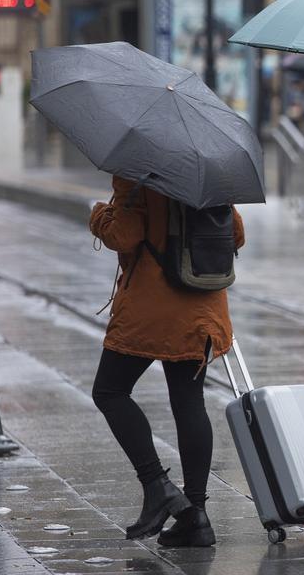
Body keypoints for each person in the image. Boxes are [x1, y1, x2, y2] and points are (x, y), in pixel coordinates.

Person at [89, 177, 245, 547]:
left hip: (154, 304)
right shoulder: (208, 175)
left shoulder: (139, 171)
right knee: (189, 401)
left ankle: (156, 484)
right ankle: (196, 515)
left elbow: (124, 236)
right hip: (203, 305)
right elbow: (236, 234)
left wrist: (99, 216)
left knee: (110, 391)